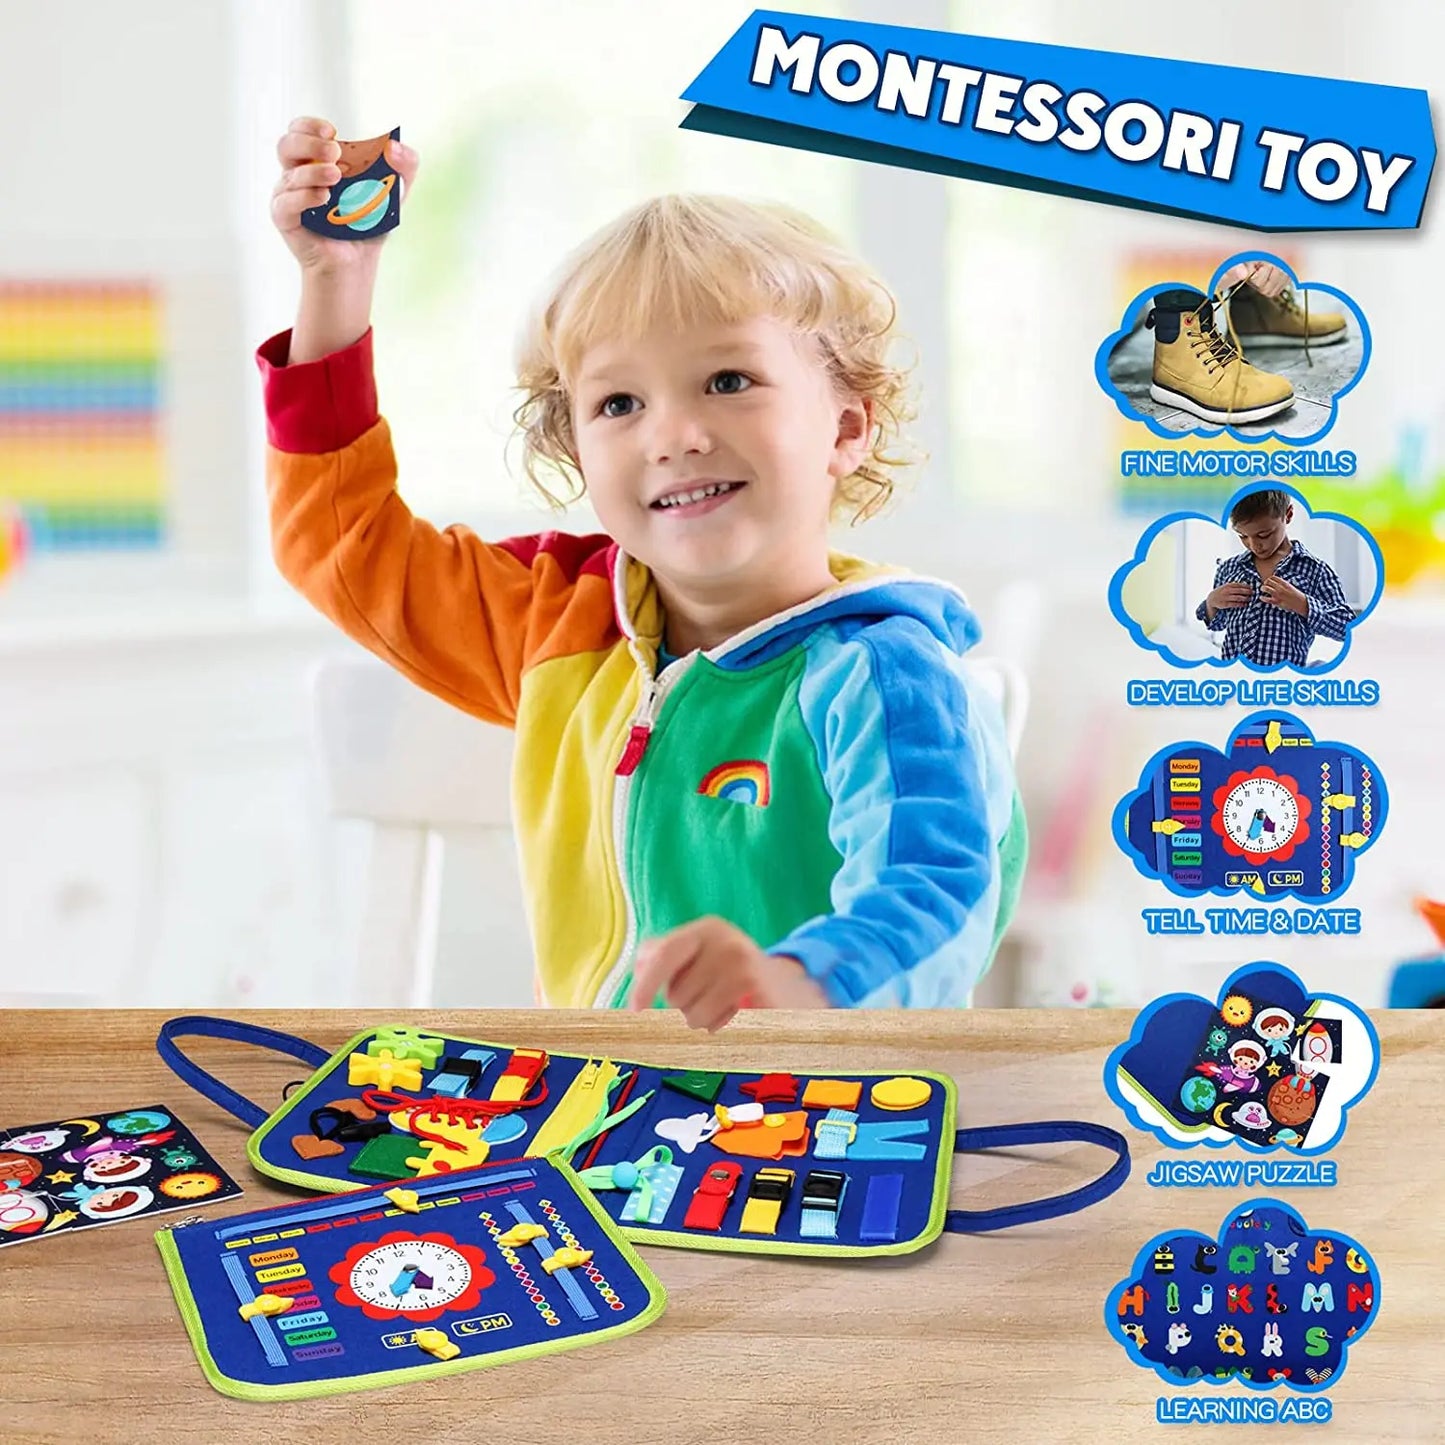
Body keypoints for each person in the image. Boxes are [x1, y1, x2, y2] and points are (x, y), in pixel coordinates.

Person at [260, 119, 1025, 1028]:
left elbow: (936, 893)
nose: (673, 434)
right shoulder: (558, 620)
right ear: (575, 450)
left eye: (729, 380)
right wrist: (333, 281)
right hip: (602, 1108)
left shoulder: (884, 669)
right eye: (619, 402)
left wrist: (802, 986)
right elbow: (346, 547)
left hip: (823, 1113)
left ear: (846, 429)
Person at [1197, 490, 1354, 667]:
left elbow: (1348, 629)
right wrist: (1211, 603)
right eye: (1243, 536)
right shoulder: (1229, 569)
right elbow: (1217, 625)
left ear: (1288, 515)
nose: (1254, 545)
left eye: (1263, 535)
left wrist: (1303, 604)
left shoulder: (1316, 570)